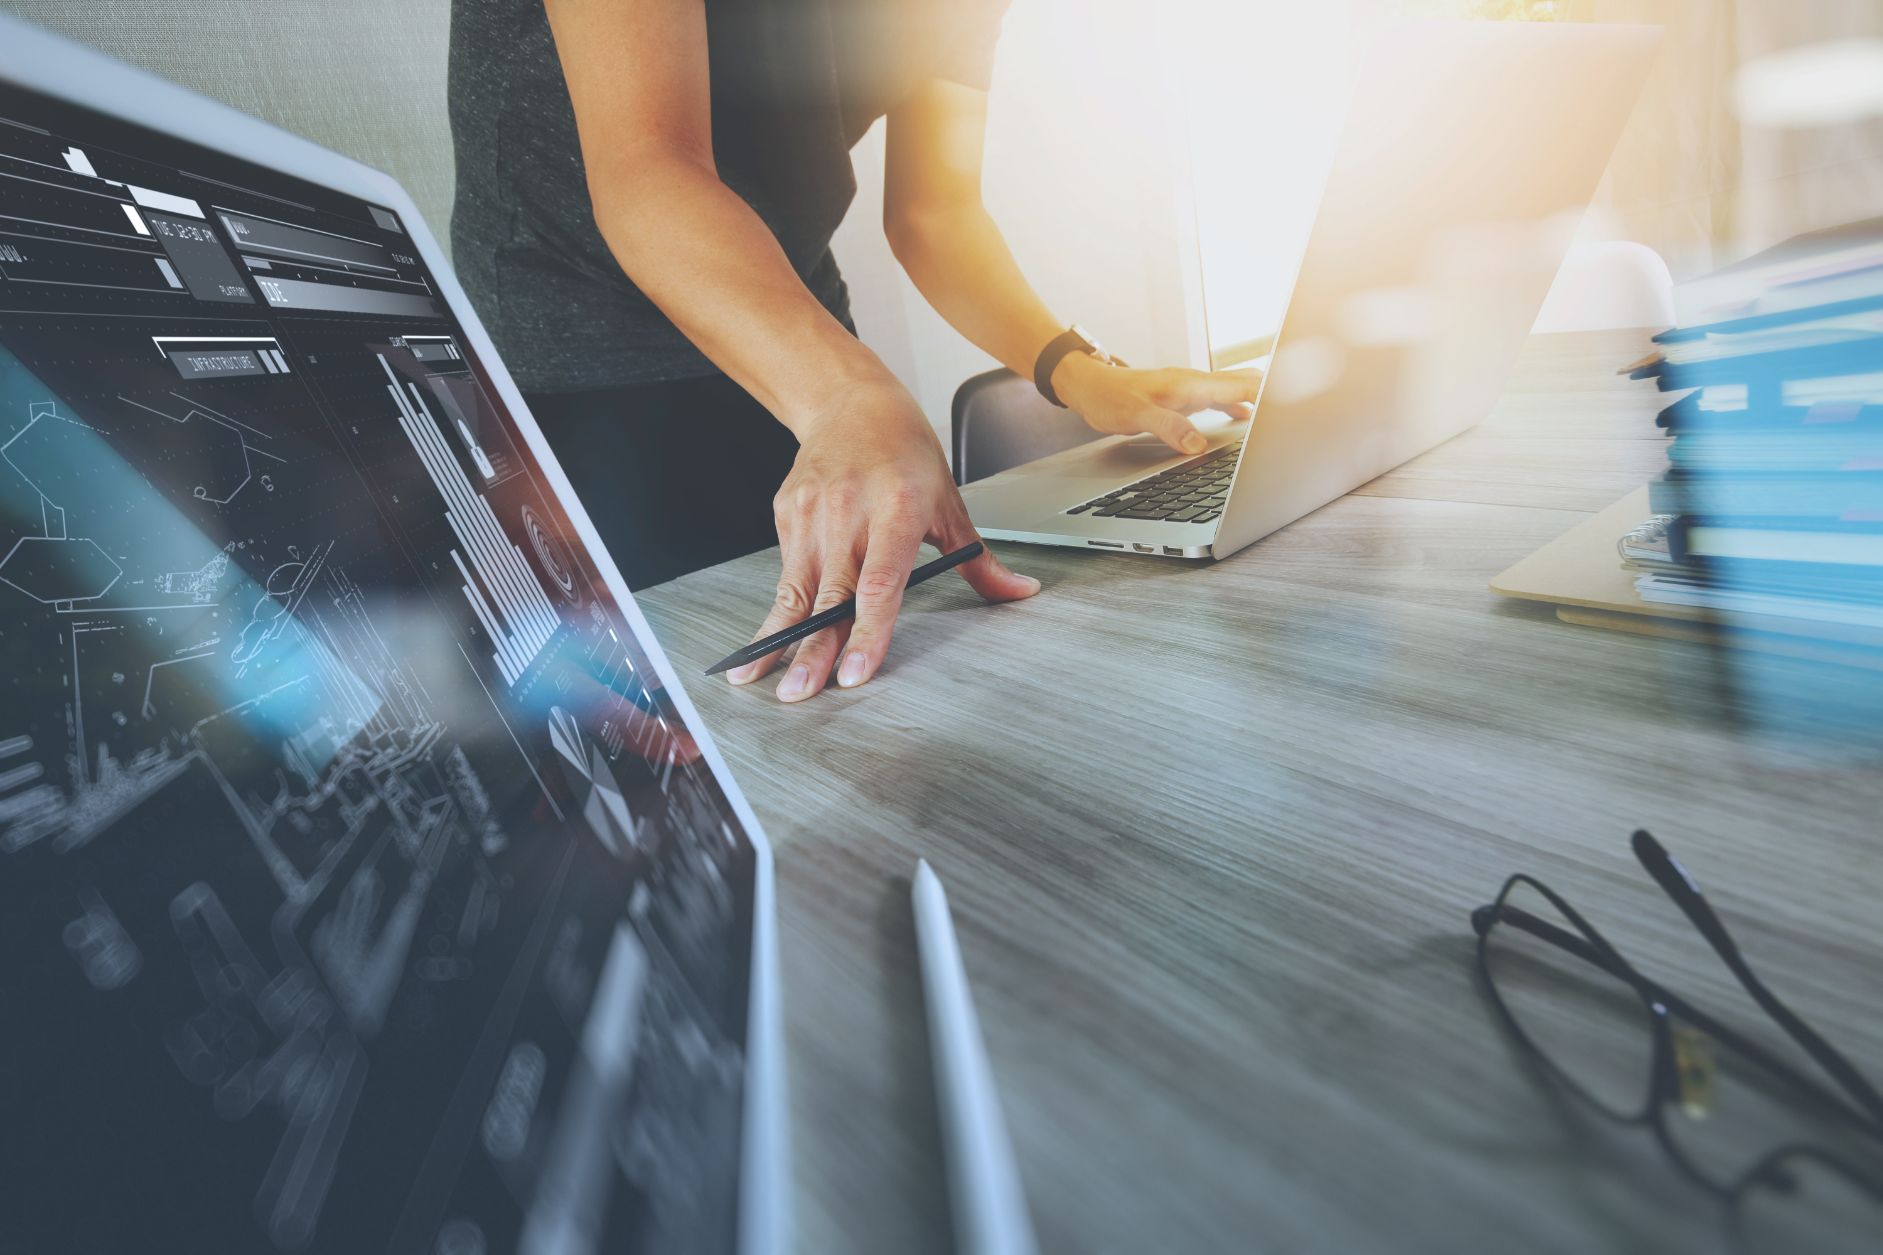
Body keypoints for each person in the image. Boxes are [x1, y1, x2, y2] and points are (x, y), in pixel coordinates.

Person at [449, 0, 1261, 704]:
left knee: (872, 667)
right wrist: (847, 396)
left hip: (801, 318)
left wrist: (1075, 371)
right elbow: (646, 166)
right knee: (695, 709)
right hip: (581, 355)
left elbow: (936, 213)